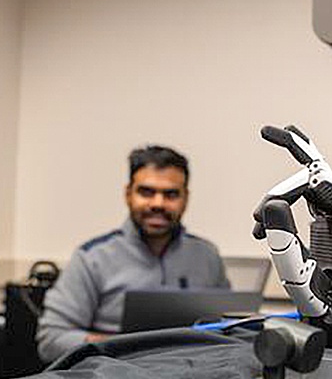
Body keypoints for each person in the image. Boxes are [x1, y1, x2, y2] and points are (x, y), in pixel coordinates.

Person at [36, 145, 229, 363]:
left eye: (171, 194)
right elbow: (51, 340)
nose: (158, 203)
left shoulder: (207, 256)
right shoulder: (92, 258)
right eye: (146, 192)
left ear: (186, 198)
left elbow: (227, 330)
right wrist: (120, 347)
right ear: (128, 194)